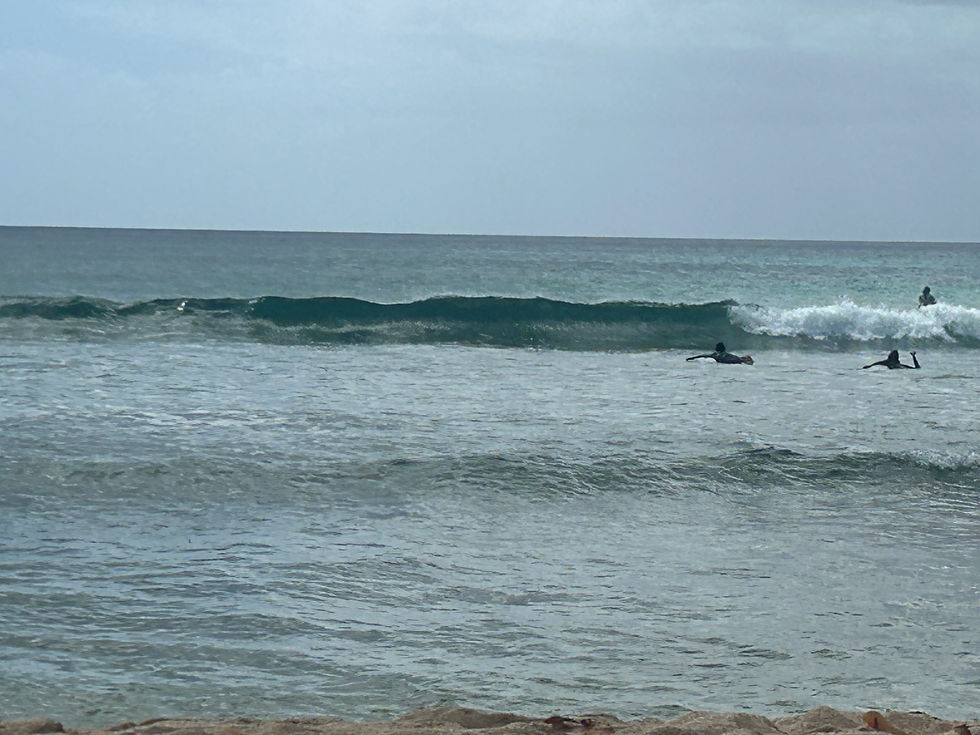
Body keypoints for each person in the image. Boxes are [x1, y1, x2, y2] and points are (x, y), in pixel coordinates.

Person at [686, 342, 754, 365]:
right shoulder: (723, 353)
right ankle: (745, 359)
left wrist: (692, 358)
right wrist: (692, 358)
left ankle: (745, 359)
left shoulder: (715, 355)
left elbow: (703, 355)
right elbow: (703, 355)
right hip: (731, 358)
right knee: (739, 359)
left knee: (738, 360)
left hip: (728, 360)